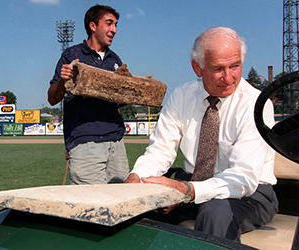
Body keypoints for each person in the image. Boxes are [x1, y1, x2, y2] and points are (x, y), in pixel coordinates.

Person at [125, 27, 278, 242]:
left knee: (216, 212)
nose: (228, 77)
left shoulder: (256, 104)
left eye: (235, 66)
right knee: (136, 208)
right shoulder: (181, 96)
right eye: (218, 69)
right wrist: (137, 179)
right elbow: (160, 151)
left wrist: (187, 190)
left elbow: (243, 177)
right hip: (192, 183)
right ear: (198, 68)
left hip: (249, 192)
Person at [48, 4, 129, 185]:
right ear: (93, 26)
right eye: (109, 23)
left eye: (116, 25)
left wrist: (134, 91)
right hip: (86, 142)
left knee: (121, 203)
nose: (114, 30)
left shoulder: (115, 60)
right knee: (89, 206)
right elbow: (52, 98)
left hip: (116, 141)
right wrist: (63, 81)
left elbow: (114, 102)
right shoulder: (73, 54)